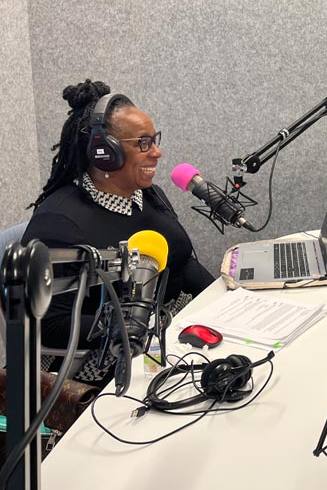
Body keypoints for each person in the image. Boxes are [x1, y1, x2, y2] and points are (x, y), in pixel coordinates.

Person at [22, 79, 214, 383]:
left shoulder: (147, 195)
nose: (157, 153)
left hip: (172, 332)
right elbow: (50, 323)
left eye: (154, 139)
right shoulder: (58, 224)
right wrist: (138, 329)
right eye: (144, 143)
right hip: (105, 360)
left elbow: (182, 261)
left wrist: (223, 302)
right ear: (103, 152)